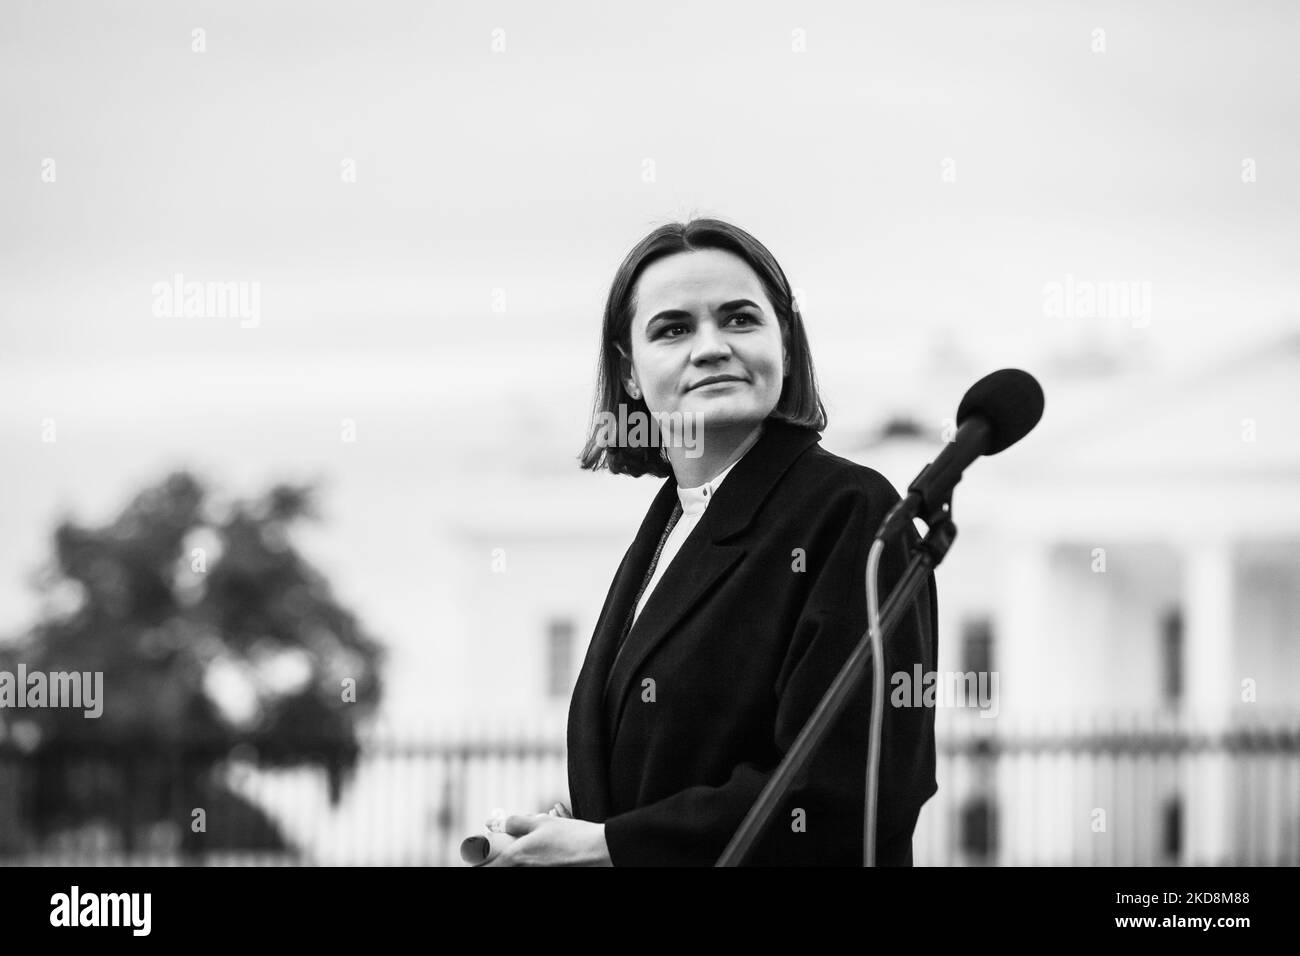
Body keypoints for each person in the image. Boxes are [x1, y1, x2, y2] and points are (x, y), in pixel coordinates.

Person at [485, 218, 938, 866]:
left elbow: (851, 793)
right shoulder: (668, 525)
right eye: (673, 329)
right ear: (630, 372)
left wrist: (611, 845)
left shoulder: (852, 511)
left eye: (739, 319)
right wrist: (569, 834)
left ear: (783, 338)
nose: (710, 347)